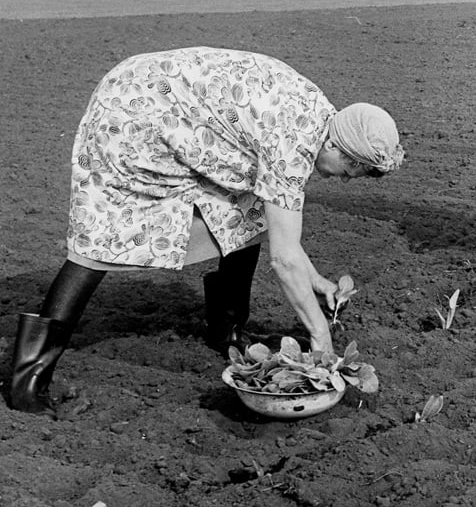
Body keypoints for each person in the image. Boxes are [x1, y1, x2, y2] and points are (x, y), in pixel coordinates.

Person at [8, 46, 404, 418]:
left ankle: (227, 330)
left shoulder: (320, 118)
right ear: (336, 144)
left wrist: (314, 279)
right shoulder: (294, 145)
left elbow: (283, 236)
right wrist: (320, 336)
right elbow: (283, 258)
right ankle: (28, 381)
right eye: (353, 169)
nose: (349, 180)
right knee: (102, 238)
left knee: (246, 214)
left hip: (174, 112)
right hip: (134, 113)